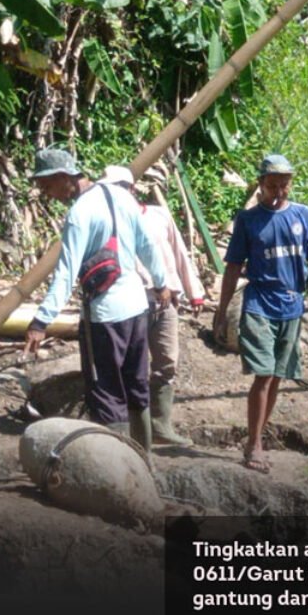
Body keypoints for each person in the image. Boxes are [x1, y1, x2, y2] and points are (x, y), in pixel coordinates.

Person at [23, 150, 170, 456]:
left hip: (105, 317)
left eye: (47, 186)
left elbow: (65, 274)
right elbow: (147, 245)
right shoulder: (121, 196)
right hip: (136, 309)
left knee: (106, 394)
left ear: (64, 178)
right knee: (136, 386)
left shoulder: (79, 214)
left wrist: (41, 322)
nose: (47, 194)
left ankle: (116, 468)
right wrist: (161, 282)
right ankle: (144, 462)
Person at [213, 154, 308, 473]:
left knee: (279, 375)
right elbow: (232, 268)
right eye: (272, 186)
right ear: (260, 185)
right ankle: (254, 444)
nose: (279, 191)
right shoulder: (248, 220)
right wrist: (222, 308)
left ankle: (257, 437)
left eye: (284, 185)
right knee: (264, 373)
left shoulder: (303, 216)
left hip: (291, 305)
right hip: (259, 303)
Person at [97, 166, 207, 446]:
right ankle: (131, 431)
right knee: (133, 365)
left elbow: (178, 252)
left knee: (167, 361)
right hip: (133, 301)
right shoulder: (110, 222)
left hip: (166, 297)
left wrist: (194, 291)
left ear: (131, 189)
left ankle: (160, 424)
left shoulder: (159, 215)